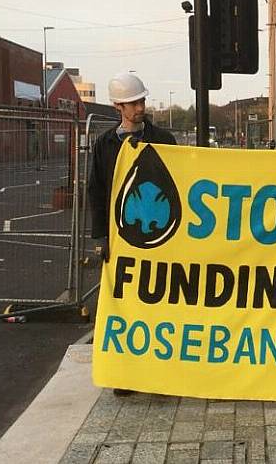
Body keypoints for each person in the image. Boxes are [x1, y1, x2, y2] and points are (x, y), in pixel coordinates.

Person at [88, 72, 176, 396]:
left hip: (161, 235)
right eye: (132, 103)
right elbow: (96, 191)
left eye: (141, 101)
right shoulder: (105, 145)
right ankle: (128, 376)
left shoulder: (164, 139)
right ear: (118, 106)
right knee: (127, 309)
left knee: (159, 306)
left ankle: (161, 376)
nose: (139, 107)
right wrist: (102, 239)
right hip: (121, 237)